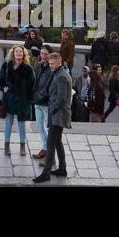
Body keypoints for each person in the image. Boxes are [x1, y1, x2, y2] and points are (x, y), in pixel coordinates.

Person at [34, 52, 72, 182]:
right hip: (58, 114)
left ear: (59, 63)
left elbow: (62, 98)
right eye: (49, 64)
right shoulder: (59, 73)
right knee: (57, 142)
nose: (50, 66)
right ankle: (62, 169)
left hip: (58, 115)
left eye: (52, 64)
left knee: (50, 144)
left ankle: (46, 174)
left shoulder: (61, 76)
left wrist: (52, 109)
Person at [0, 44, 34, 156]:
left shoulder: (28, 69)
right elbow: (0, 79)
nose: (19, 53)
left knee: (21, 125)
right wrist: (3, 87)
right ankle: (6, 146)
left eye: (21, 52)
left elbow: (32, 86)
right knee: (8, 124)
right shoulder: (6, 66)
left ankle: (22, 146)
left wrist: (29, 101)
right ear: (13, 54)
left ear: (24, 55)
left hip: (22, 101)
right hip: (9, 99)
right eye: (17, 51)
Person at [31, 48, 54, 159]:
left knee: (50, 128)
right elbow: (36, 81)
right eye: (42, 54)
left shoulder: (52, 67)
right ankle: (45, 148)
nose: (43, 56)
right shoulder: (39, 64)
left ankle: (50, 153)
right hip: (37, 100)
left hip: (47, 102)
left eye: (46, 54)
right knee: (39, 126)